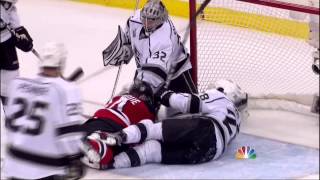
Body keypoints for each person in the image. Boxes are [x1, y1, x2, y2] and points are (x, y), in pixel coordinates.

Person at [84, 79, 248, 169]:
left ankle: (119, 137)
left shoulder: (219, 96)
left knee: (152, 130)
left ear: (222, 89)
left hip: (205, 129)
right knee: (153, 151)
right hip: (212, 152)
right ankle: (109, 163)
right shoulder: (237, 119)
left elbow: (188, 103)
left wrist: (163, 93)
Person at [3, 42, 85, 180]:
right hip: (45, 169)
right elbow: (68, 134)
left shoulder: (17, 84)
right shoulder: (66, 90)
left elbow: (9, 125)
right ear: (61, 63)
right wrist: (75, 157)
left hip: (14, 163)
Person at [102, 0, 198, 117]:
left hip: (176, 74)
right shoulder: (135, 19)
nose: (147, 23)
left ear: (161, 19)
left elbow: (153, 74)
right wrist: (125, 47)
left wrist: (139, 89)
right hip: (146, 67)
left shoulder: (163, 39)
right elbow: (129, 36)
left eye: (152, 20)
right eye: (145, 18)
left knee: (193, 111)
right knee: (142, 109)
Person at [80, 80, 158, 170]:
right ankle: (96, 143)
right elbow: (149, 130)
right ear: (144, 97)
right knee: (109, 155)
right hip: (114, 125)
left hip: (94, 119)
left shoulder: (118, 97)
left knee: (77, 138)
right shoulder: (144, 107)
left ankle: (79, 141)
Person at [0, 0, 33, 112]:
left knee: (10, 87)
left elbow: (15, 26)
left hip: (6, 46)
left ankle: (14, 123)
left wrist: (24, 40)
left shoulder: (9, 5)